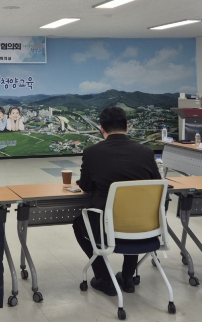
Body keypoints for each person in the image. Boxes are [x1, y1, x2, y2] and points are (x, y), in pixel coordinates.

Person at [73, 107, 160, 296]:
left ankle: (105, 278)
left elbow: (86, 186)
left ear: (101, 129)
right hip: (143, 225)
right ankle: (128, 277)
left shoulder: (92, 153)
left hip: (107, 227)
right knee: (133, 211)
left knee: (79, 224)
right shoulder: (146, 152)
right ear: (127, 127)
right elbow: (157, 184)